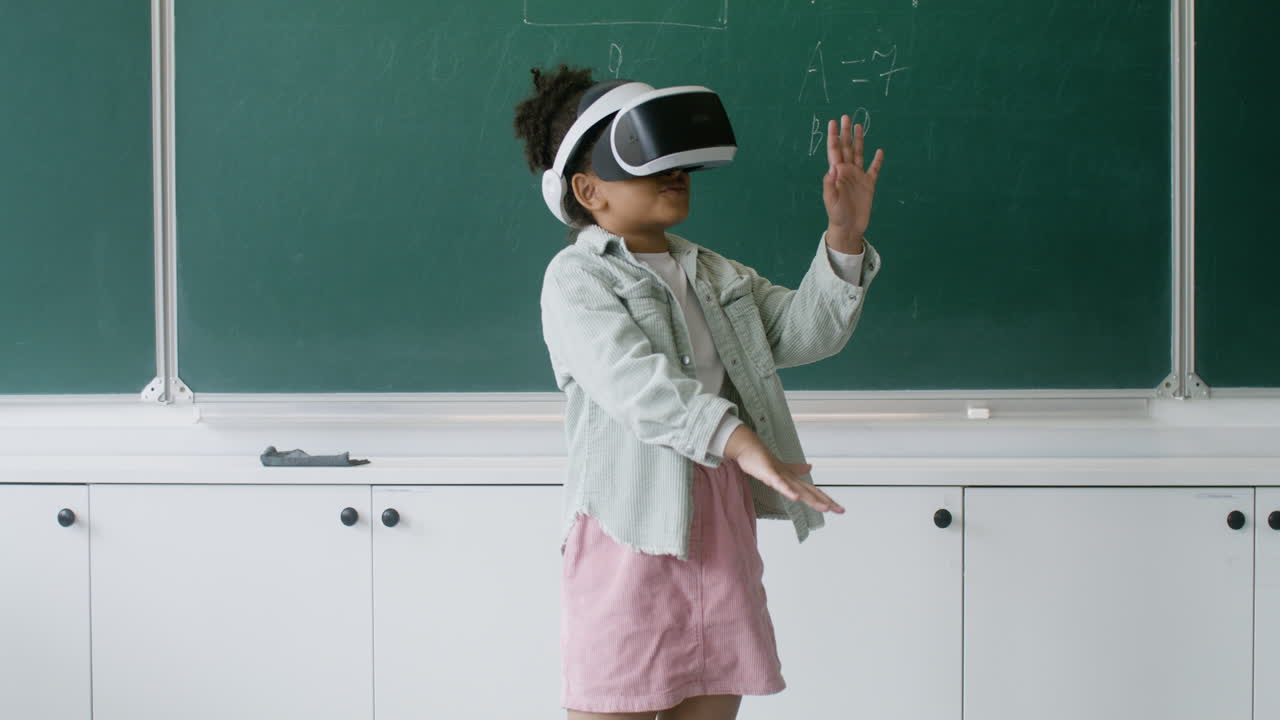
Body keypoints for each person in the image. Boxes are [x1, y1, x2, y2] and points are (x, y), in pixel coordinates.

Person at [513, 63, 885, 720]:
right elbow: (635, 385)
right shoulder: (576, 278)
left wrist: (844, 237)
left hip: (719, 521)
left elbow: (806, 331)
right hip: (631, 527)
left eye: (678, 160)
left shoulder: (714, 273)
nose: (674, 172)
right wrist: (739, 441)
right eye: (647, 160)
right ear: (587, 189)